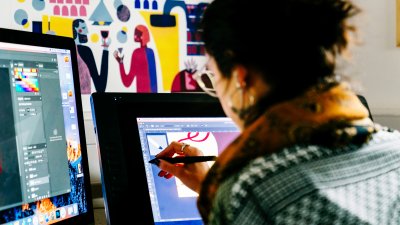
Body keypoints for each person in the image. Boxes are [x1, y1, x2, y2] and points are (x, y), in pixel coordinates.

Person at [154, 0, 400, 224]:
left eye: (213, 77)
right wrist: (212, 187)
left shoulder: (251, 192)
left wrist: (231, 196)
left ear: (241, 78)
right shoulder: (394, 147)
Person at [113, 24, 158, 93]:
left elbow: (127, 82)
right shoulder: (150, 52)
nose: (134, 36)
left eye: (137, 34)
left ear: (143, 36)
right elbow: (154, 82)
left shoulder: (137, 53)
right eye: (135, 33)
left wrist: (120, 63)